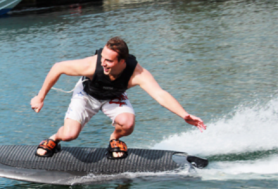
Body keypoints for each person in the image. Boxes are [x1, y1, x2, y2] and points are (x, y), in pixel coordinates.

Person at [30, 37, 206, 159]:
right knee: (70, 134)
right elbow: (58, 67)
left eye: (109, 61)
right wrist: (40, 96)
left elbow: (160, 94)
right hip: (87, 95)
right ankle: (54, 139)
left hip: (113, 95)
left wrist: (184, 115)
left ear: (123, 61)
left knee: (127, 124)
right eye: (103, 58)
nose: (103, 63)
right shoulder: (92, 65)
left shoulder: (137, 73)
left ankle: (114, 140)